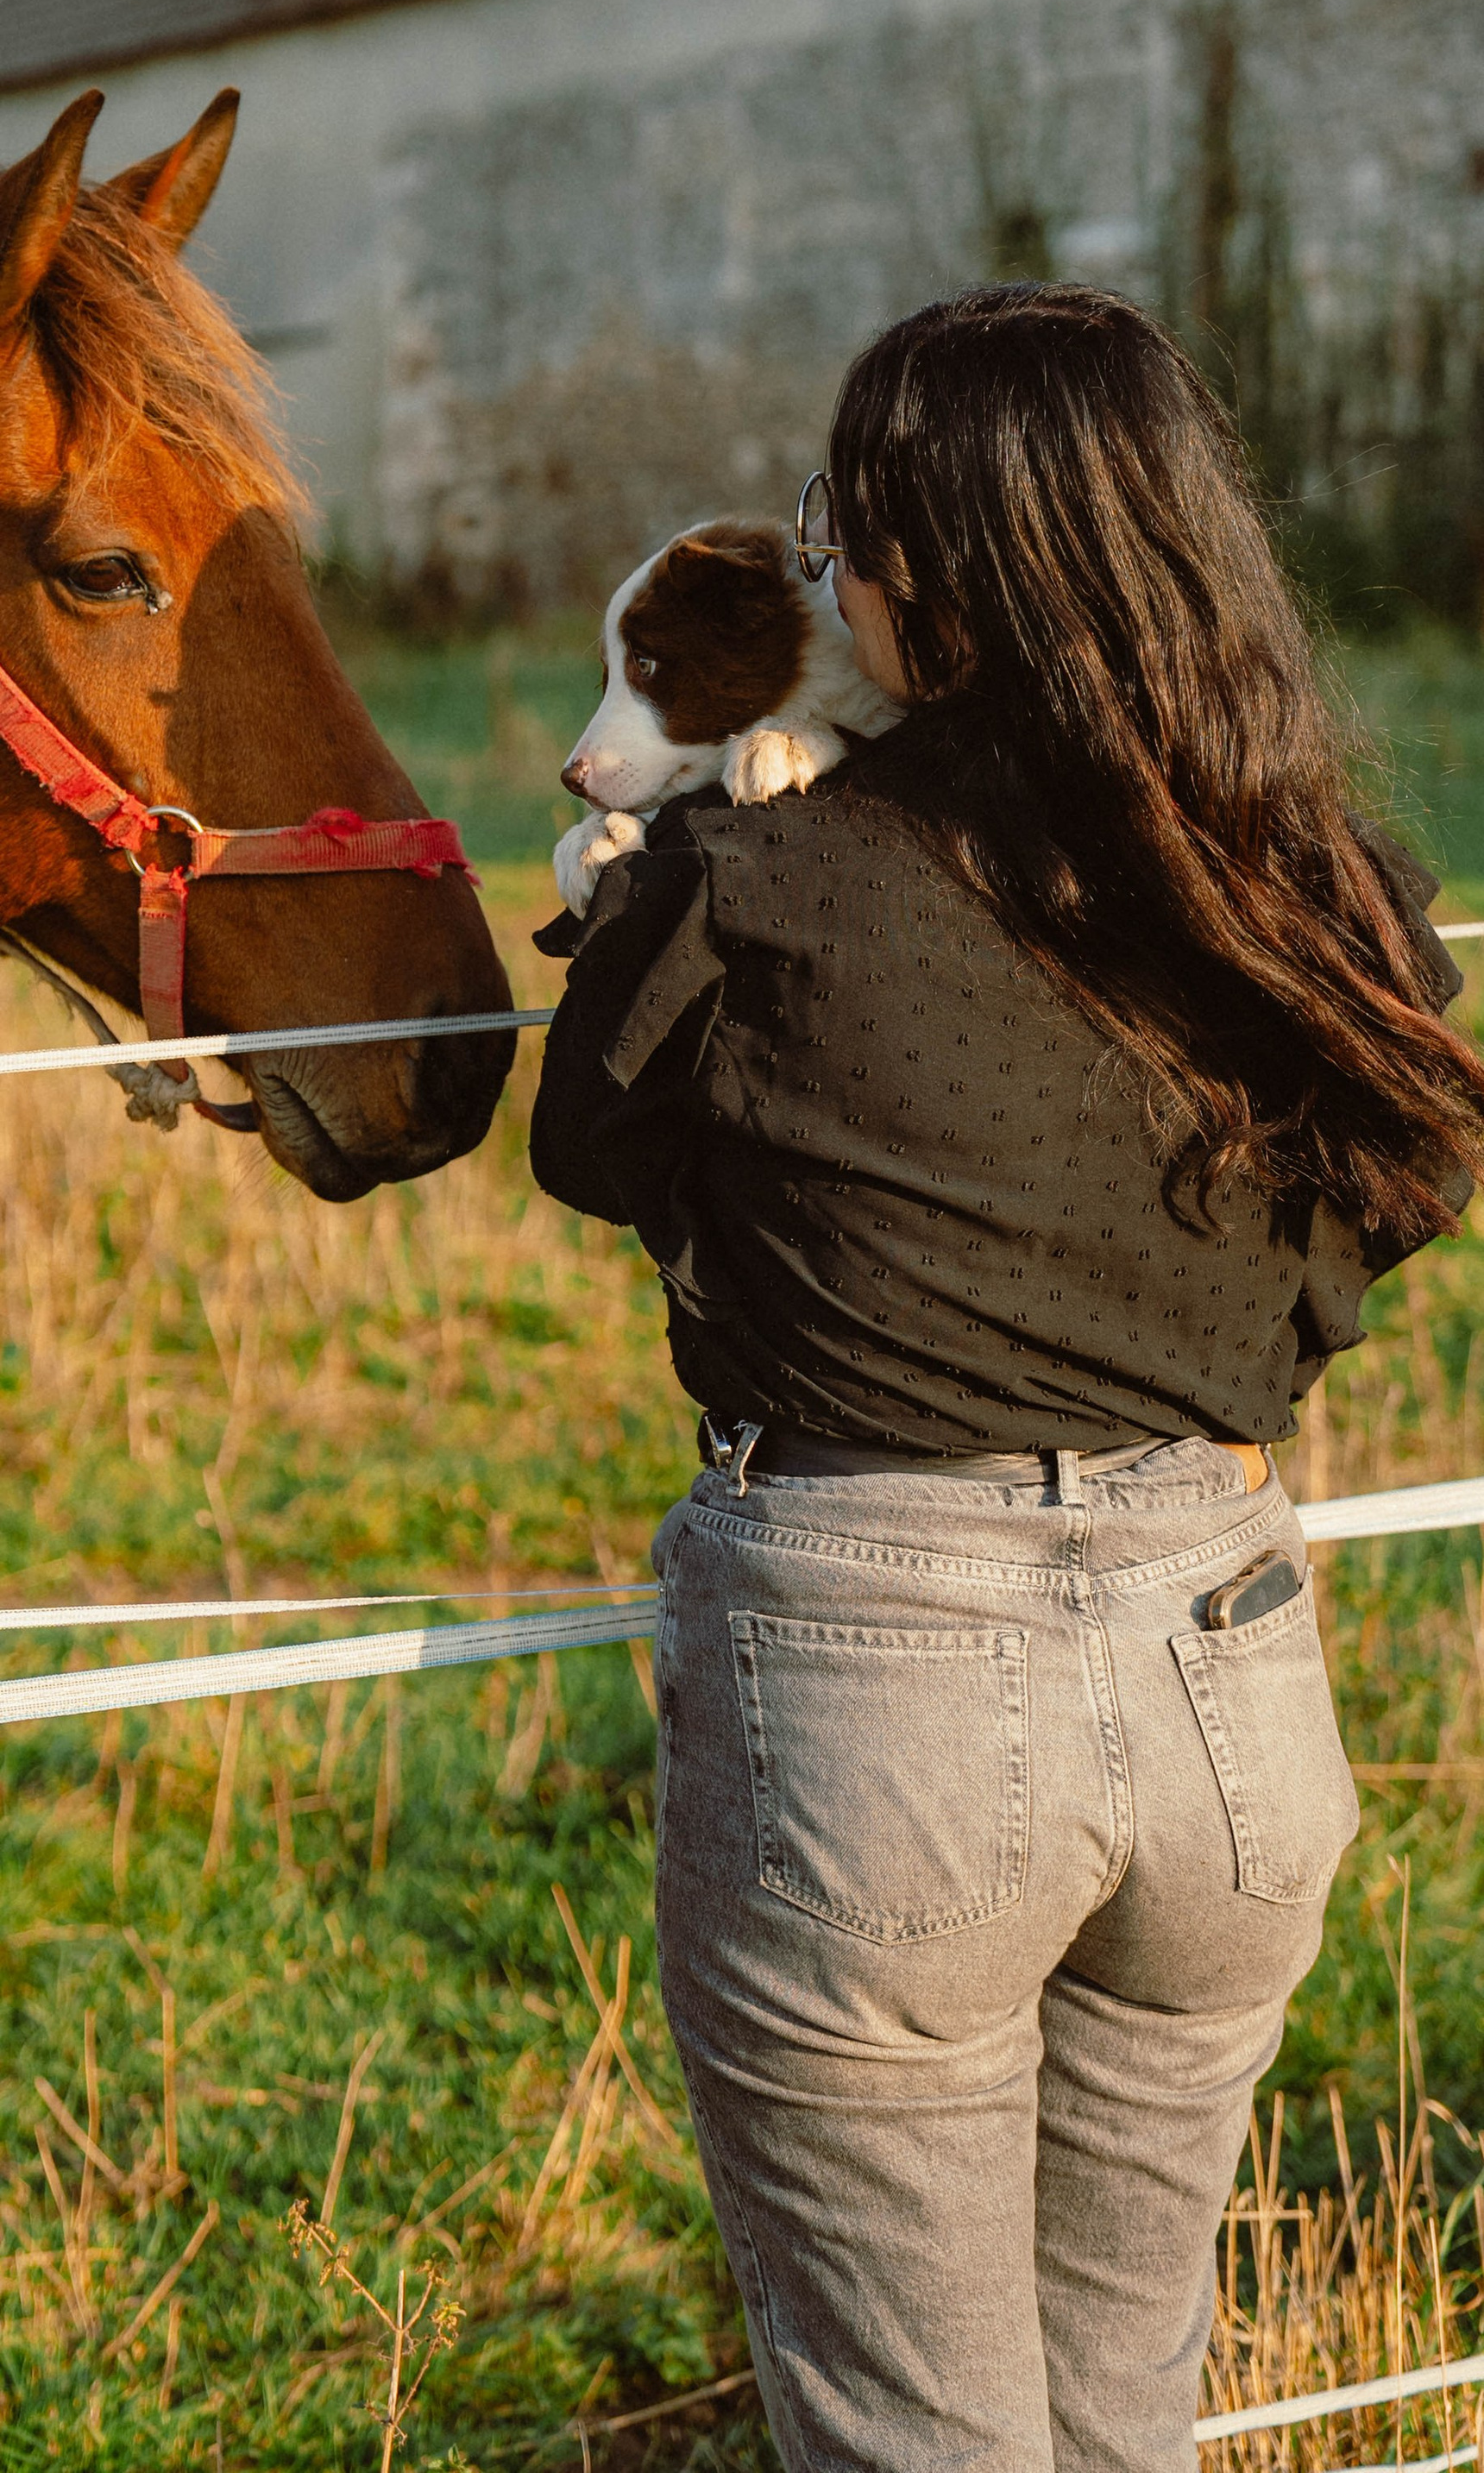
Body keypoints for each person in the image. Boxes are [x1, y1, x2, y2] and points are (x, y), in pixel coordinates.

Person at [531, 283, 1484, 2473]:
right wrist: (1240, 1358)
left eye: (833, 521)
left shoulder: (757, 877)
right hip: (1232, 1686)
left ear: (913, 571)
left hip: (884, 1709)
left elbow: (590, 1144)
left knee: (917, 2441)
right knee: (1122, 2409)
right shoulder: (1310, 874)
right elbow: (1408, 1161)